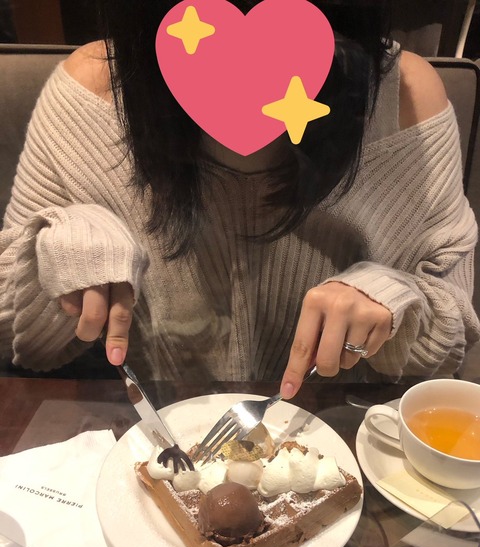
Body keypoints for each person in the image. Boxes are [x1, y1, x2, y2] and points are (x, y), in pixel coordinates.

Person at [0, 0, 478, 399]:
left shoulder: (404, 99)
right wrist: (60, 246)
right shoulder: (91, 91)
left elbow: (449, 343)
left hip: (339, 433)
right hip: (148, 433)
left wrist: (395, 299)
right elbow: (15, 337)